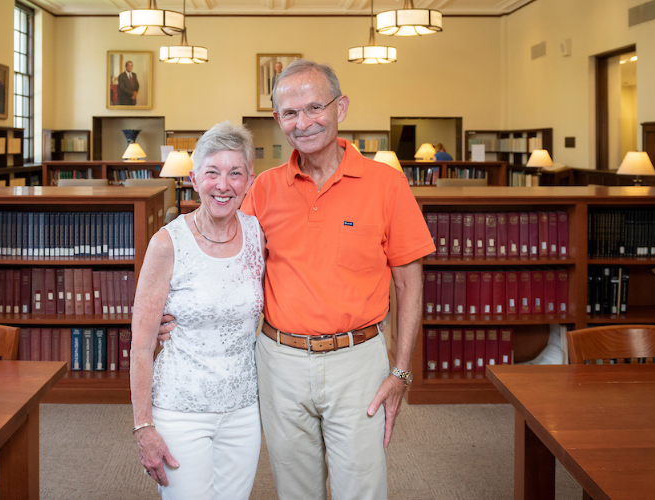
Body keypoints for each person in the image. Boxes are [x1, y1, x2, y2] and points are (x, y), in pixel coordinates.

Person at [241, 59, 433, 499]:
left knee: (361, 490)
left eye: (314, 107)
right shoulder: (264, 189)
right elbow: (231, 265)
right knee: (295, 490)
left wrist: (401, 371)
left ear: (341, 107)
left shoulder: (387, 185)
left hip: (358, 361)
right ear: (277, 120)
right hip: (279, 361)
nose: (302, 123)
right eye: (289, 113)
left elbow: (409, 282)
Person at [131, 121, 265, 499]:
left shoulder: (257, 234)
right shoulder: (167, 244)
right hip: (181, 409)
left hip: (243, 410)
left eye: (235, 173)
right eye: (212, 172)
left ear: (249, 180)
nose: (223, 185)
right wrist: (143, 427)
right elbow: (141, 345)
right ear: (194, 178)